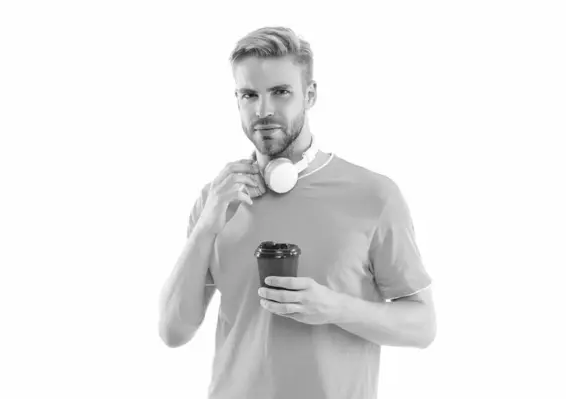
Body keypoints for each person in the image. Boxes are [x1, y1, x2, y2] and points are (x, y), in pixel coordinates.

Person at [159, 26, 436, 399]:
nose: (263, 110)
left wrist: (335, 307)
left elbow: (422, 326)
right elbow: (173, 332)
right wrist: (207, 225)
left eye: (280, 92)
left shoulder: (374, 196)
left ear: (310, 94)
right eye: (249, 94)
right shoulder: (216, 199)